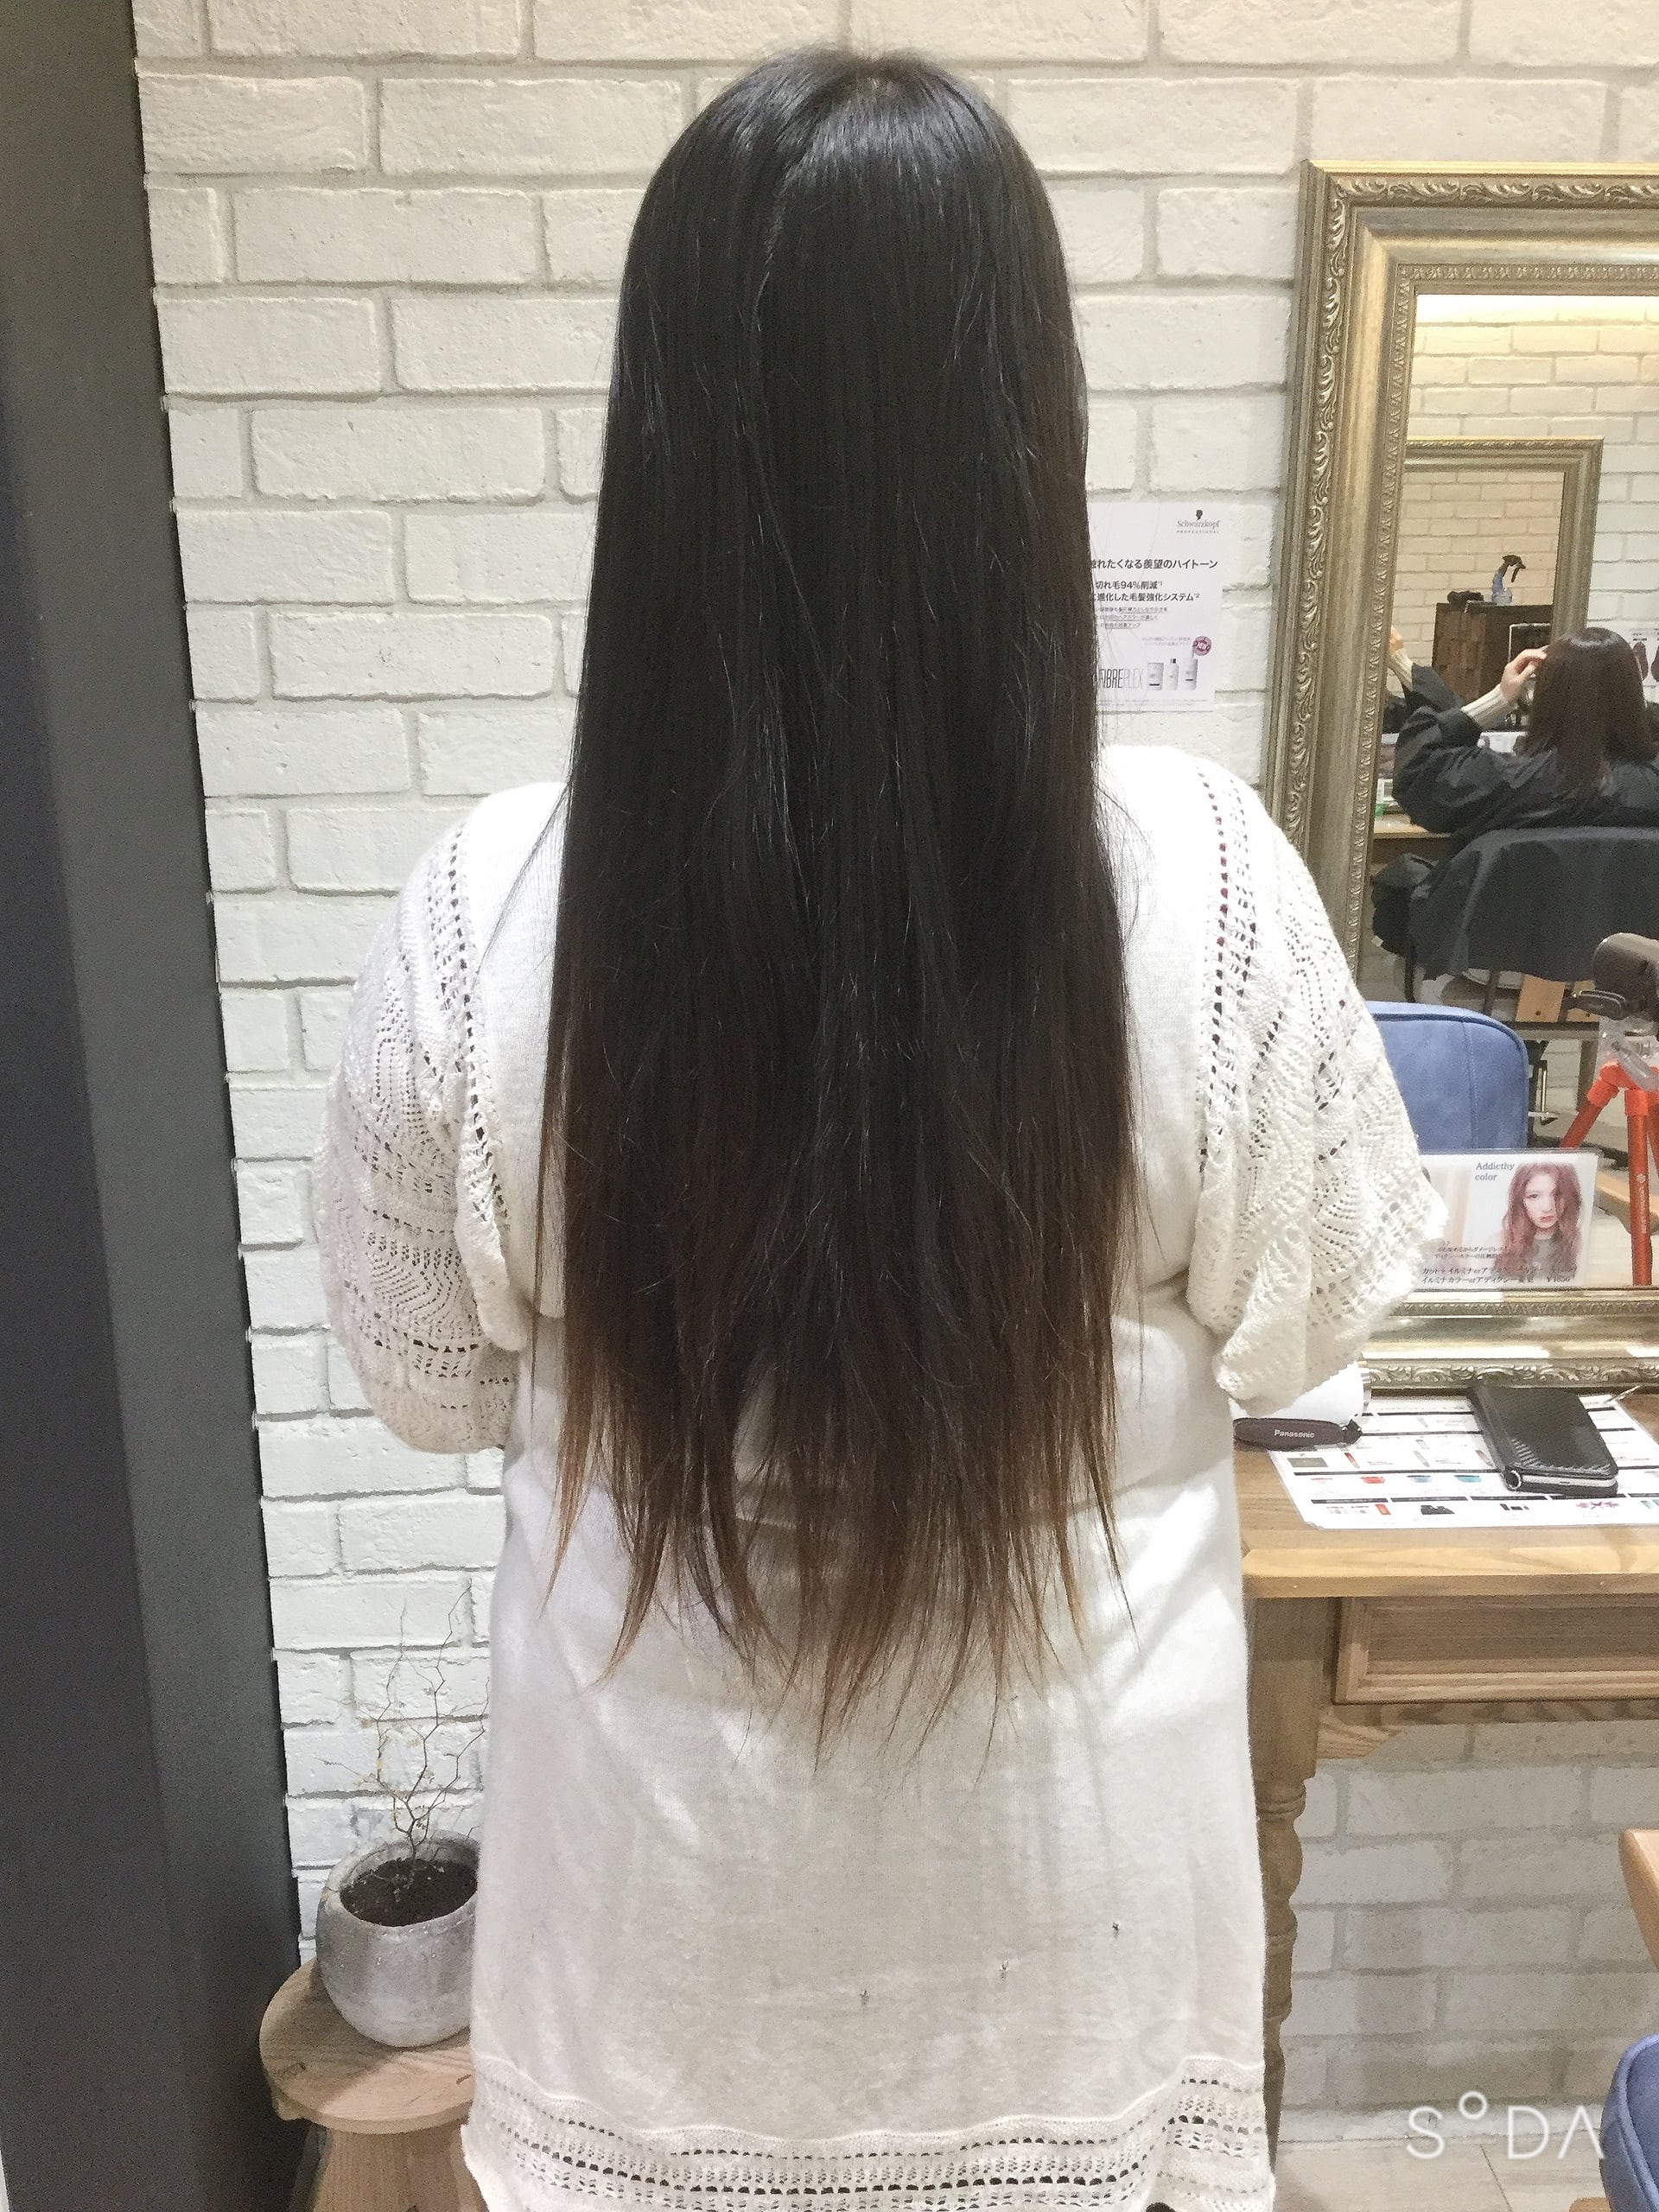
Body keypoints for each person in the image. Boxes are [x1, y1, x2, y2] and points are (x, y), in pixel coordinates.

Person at [313, 51, 1441, 2212]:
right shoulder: (1199, 882)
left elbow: (429, 1381)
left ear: (661, 441)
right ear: (1027, 433)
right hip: (1067, 1930)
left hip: (656, 1937)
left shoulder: (487, 907)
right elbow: (1312, 1324)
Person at [1372, 627, 1659, 960]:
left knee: (1401, 885)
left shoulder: (1508, 781)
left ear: (1548, 695)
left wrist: (1500, 698)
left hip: (1495, 972)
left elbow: (1418, 769)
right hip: (1632, 975)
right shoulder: (1650, 783)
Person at [1493, 1161, 1584, 1283]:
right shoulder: (1499, 1242)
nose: (1547, 1207)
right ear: (1520, 1200)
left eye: (1557, 1195)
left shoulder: (1578, 1242)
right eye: (1534, 1196)